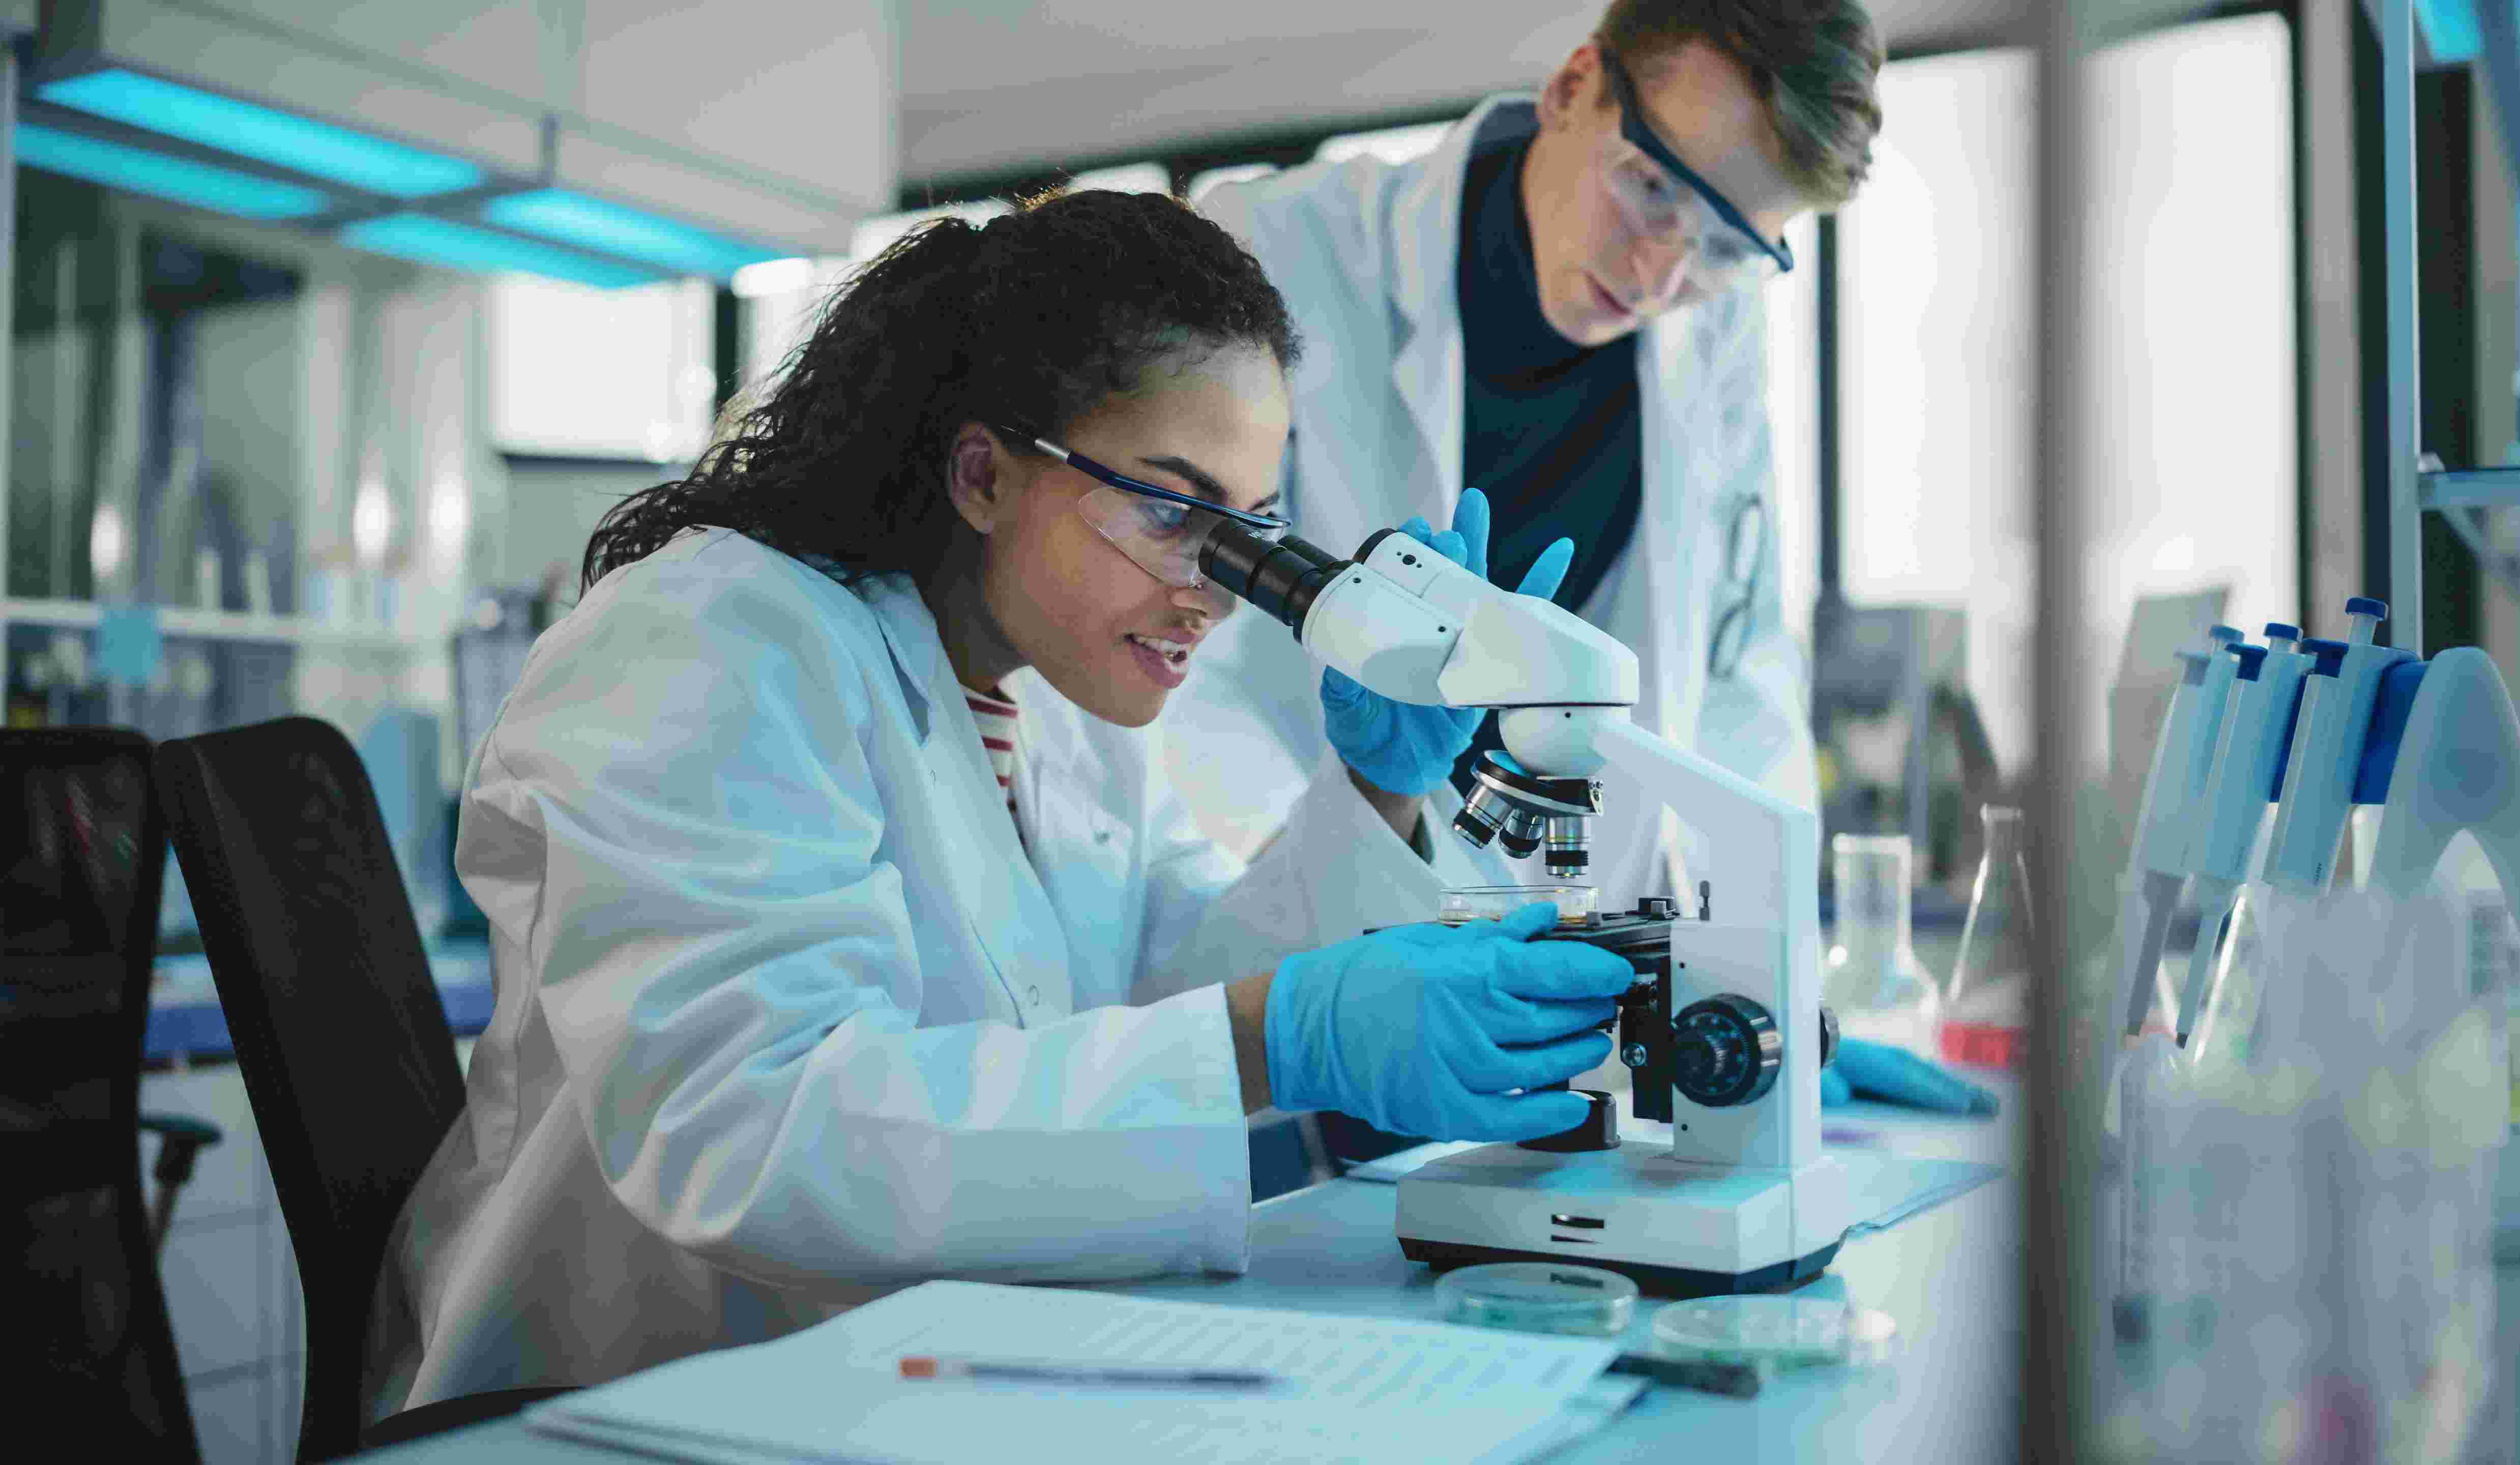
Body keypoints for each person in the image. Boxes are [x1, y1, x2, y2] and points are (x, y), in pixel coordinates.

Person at [362, 191, 1631, 1416]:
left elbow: (1170, 996)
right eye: (1173, 509)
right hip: (618, 1409)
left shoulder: (1065, 714)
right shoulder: (706, 643)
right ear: (982, 476)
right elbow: (754, 1135)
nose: (1216, 591)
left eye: (1251, 530)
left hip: (925, 1376)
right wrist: (1280, 1036)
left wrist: (1372, 789)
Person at [1185, 0, 1886, 931]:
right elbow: (1190, 659)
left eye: (1727, 246)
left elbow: (1738, 676)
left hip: (1569, 921)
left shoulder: (1712, 329)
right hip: (1287, 904)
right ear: (1572, 89)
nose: (1659, 277)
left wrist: (1768, 968)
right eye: (1651, 187)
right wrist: (1356, 905)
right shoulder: (1280, 253)